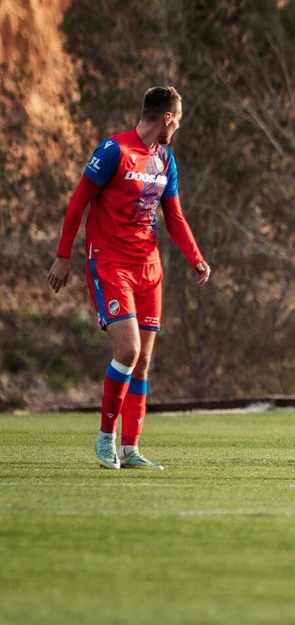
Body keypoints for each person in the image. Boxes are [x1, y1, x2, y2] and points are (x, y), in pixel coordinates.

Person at [47, 86, 211, 470]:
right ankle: (106, 439)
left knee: (143, 362)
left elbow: (174, 217)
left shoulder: (165, 159)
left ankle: (132, 449)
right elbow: (79, 201)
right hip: (110, 263)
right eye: (179, 118)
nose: (179, 125)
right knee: (127, 351)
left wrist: (196, 258)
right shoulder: (113, 151)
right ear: (167, 117)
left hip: (148, 268)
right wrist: (62, 255)